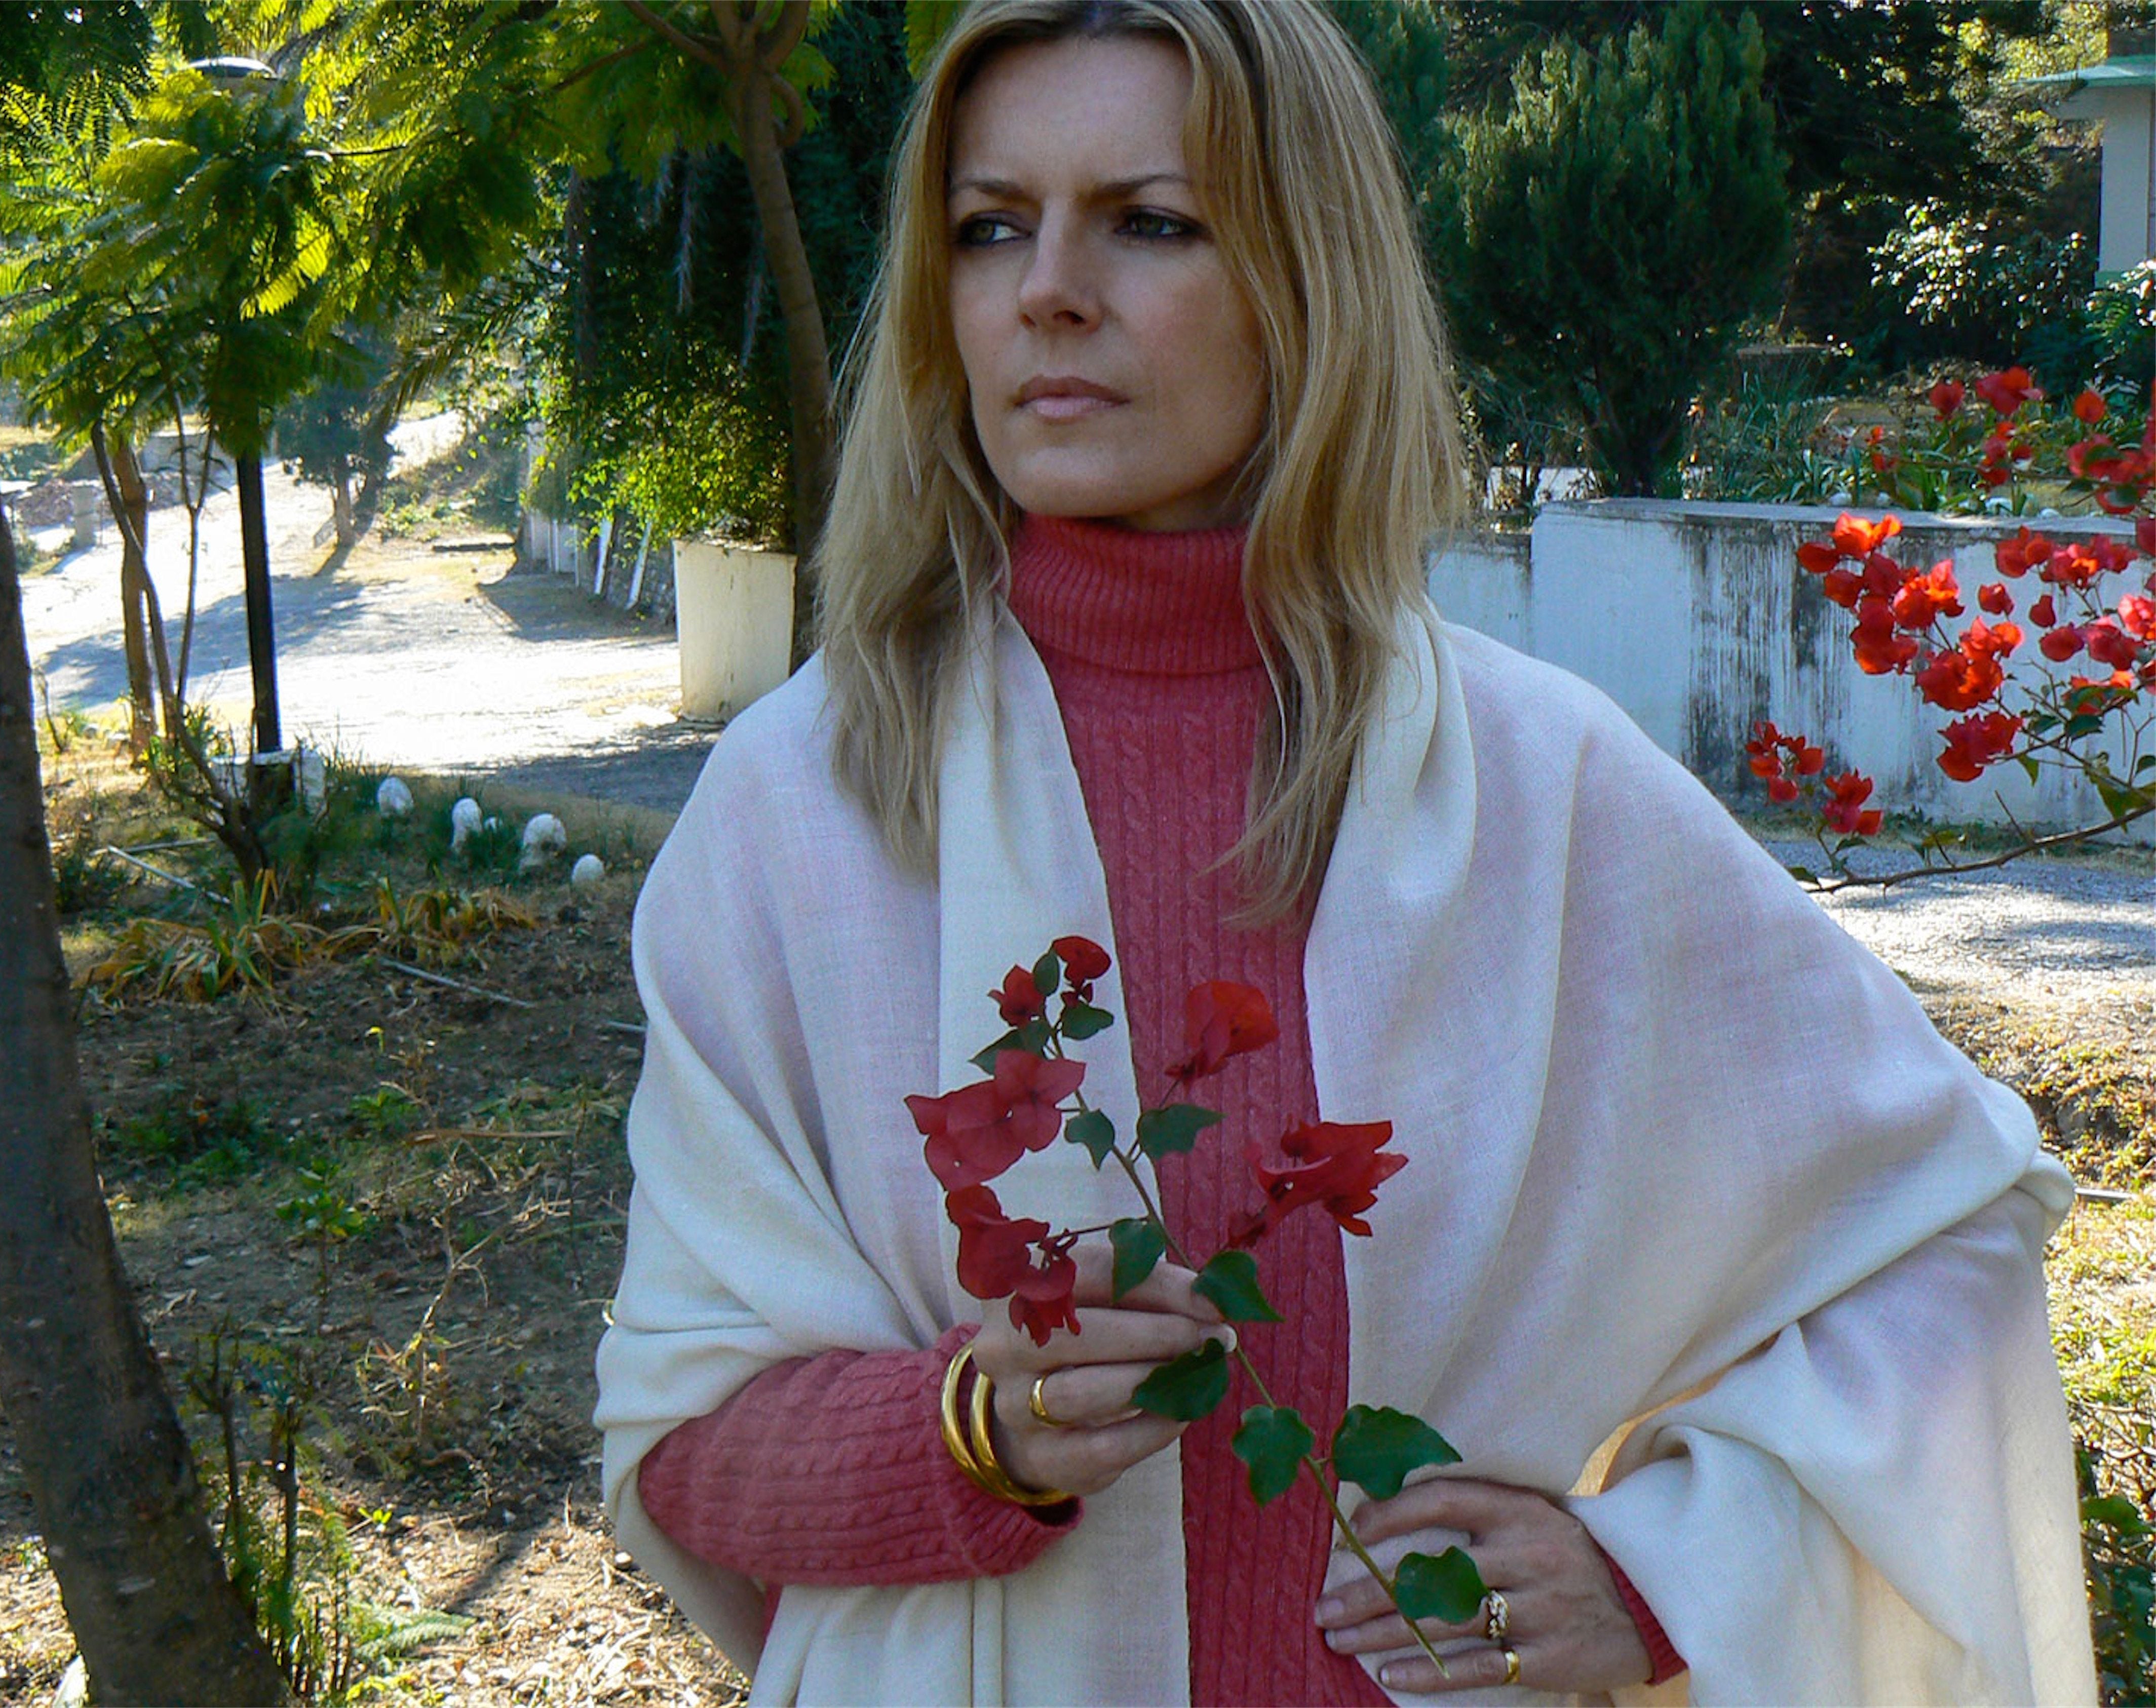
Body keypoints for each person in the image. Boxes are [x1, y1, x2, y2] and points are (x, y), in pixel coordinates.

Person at [594, 2, 2094, 1702]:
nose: (1047, 289)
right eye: (990, 225)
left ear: (1307, 278)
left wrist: (1668, 1573)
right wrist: (973, 1428)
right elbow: (682, 1437)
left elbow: (1944, 1226)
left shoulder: (1550, 788)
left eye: (1150, 222)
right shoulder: (807, 805)